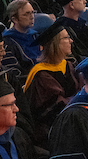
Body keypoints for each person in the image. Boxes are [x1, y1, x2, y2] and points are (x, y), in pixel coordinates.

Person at [22, 18, 80, 147]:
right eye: (66, 38)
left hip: (72, 120)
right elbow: (53, 107)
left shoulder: (68, 65)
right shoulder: (41, 74)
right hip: (52, 131)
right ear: (55, 44)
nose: (71, 41)